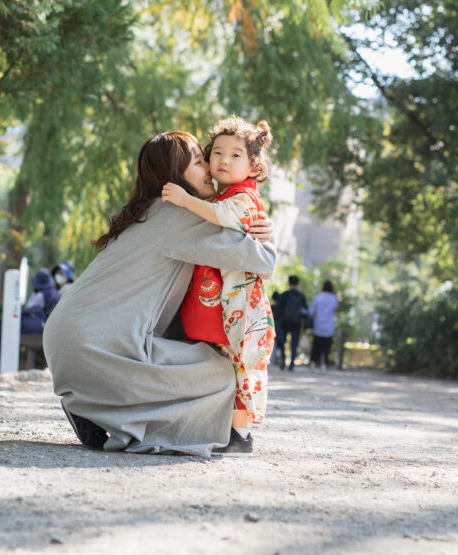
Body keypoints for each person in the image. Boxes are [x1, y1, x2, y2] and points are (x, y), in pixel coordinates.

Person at [42, 130, 277, 457]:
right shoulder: (180, 216)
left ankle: (90, 404)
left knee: (183, 358)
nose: (211, 167)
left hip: (67, 336)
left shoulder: (146, 212)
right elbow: (263, 261)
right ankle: (94, 409)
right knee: (222, 375)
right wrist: (264, 234)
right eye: (199, 161)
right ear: (174, 178)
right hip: (94, 346)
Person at [161, 117, 275, 452]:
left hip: (247, 309)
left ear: (254, 166)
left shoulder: (243, 199)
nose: (224, 161)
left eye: (236, 155)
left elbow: (226, 216)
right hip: (231, 306)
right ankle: (224, 429)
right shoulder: (222, 199)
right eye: (217, 154)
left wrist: (185, 200)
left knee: (245, 369)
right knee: (230, 368)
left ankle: (242, 436)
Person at [0, 268, 60, 367]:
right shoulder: (56, 293)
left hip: (35, 329)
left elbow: (29, 309)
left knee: (6, 327)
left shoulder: (40, 294)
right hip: (50, 329)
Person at [274, 275, 307, 371]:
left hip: (284, 321)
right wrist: (304, 324)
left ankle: (283, 361)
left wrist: (276, 320)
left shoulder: (284, 294)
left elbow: (279, 308)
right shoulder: (301, 296)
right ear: (297, 283)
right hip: (296, 322)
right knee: (294, 343)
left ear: (289, 283)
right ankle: (292, 363)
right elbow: (305, 311)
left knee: (283, 341)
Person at [308, 280, 339, 373]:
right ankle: (324, 366)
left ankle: (313, 364)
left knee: (316, 346)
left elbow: (311, 312)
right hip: (329, 326)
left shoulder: (318, 298)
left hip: (318, 325)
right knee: (326, 347)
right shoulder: (334, 299)